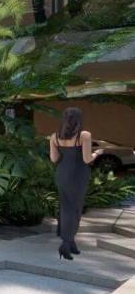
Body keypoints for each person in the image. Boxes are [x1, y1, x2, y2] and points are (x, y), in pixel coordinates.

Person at [49, 107, 103, 260]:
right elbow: (87, 159)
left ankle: (70, 242)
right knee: (75, 208)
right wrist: (97, 153)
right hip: (78, 174)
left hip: (62, 174)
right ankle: (65, 244)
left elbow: (54, 159)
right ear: (79, 119)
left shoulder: (55, 136)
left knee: (66, 207)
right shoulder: (84, 135)